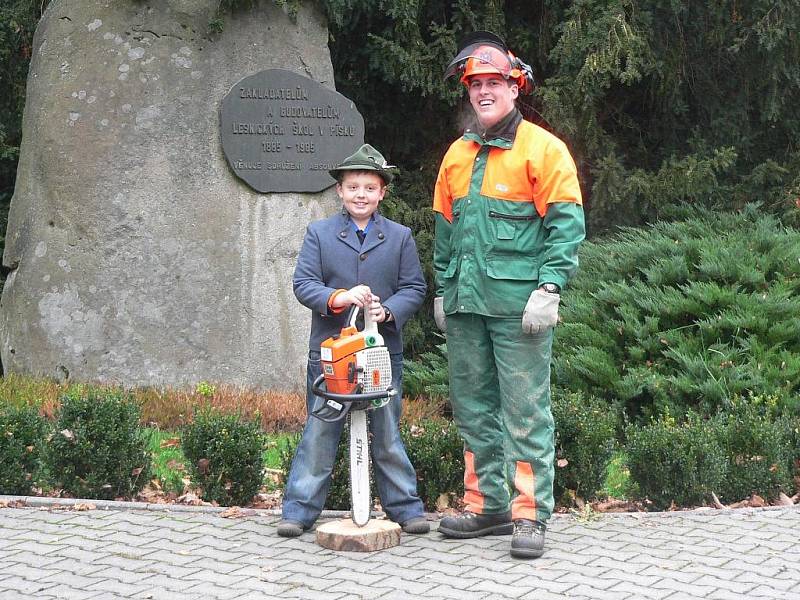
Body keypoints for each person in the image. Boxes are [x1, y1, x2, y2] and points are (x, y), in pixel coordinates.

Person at [432, 32, 585, 558]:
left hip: (519, 310)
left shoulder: (544, 150)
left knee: (524, 412)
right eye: (476, 85)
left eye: (494, 82)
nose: (484, 91)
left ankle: (529, 515)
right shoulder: (457, 154)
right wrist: (442, 288)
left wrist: (550, 288)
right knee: (474, 409)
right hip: (467, 305)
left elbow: (565, 228)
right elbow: (446, 231)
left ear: (515, 88)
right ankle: (487, 505)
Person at [278, 143, 429, 537]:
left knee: (388, 431)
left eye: (369, 187)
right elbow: (303, 284)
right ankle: (299, 510)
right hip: (331, 356)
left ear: (382, 193)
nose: (360, 194)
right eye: (352, 187)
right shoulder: (320, 233)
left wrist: (387, 311)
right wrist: (338, 297)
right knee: (319, 431)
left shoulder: (399, 237)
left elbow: (414, 287)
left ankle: (405, 507)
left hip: (381, 354)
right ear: (339, 192)